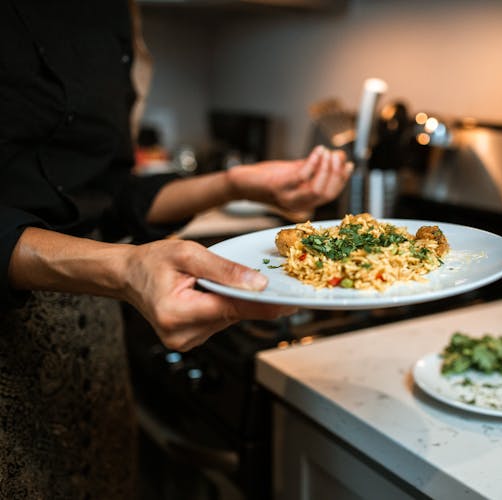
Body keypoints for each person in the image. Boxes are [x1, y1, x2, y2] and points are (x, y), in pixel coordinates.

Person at [0, 0, 352, 497]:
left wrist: (237, 184)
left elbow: (111, 193)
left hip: (93, 337)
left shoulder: (115, 12)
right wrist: (123, 268)